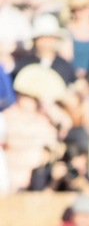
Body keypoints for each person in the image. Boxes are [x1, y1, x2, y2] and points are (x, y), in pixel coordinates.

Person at [3, 62, 67, 191]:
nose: (29, 101)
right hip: (12, 179)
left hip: (38, 182)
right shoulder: (6, 117)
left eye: (33, 97)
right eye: (26, 95)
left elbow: (64, 130)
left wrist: (49, 106)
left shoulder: (42, 120)